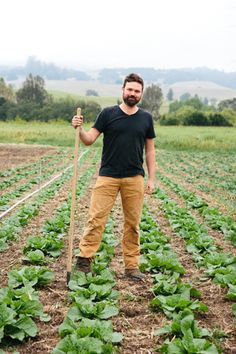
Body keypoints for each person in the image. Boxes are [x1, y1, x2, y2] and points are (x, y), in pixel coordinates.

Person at [71, 73, 156, 281]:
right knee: (95, 219)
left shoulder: (146, 118)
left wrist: (152, 178)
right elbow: (89, 139)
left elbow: (150, 150)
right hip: (107, 176)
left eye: (137, 91)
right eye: (130, 90)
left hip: (134, 177)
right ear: (123, 90)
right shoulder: (108, 114)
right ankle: (84, 261)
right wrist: (79, 128)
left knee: (133, 224)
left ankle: (131, 267)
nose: (133, 94)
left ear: (141, 94)